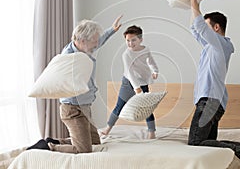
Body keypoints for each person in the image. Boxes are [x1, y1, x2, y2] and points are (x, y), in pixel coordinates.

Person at [27, 15, 123, 153]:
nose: (97, 44)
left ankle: (53, 141)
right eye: (94, 41)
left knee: (95, 143)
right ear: (83, 41)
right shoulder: (69, 56)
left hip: (85, 107)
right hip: (73, 110)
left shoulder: (83, 48)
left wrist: (112, 30)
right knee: (84, 149)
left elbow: (100, 41)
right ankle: (48, 147)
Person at [187, 0, 234, 146]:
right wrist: (195, 0)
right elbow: (195, 29)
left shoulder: (220, 44)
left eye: (208, 28)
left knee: (196, 143)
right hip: (213, 102)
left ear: (216, 28)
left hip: (209, 101)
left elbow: (199, 26)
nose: (204, 33)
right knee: (207, 144)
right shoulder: (213, 47)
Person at [101, 25, 159, 139]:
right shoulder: (126, 54)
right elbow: (130, 72)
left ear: (140, 39)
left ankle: (151, 132)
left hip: (143, 82)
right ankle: (107, 128)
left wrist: (155, 70)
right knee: (119, 106)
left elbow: (150, 61)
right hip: (128, 83)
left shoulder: (146, 49)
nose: (130, 43)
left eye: (133, 40)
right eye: (128, 40)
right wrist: (136, 88)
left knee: (147, 107)